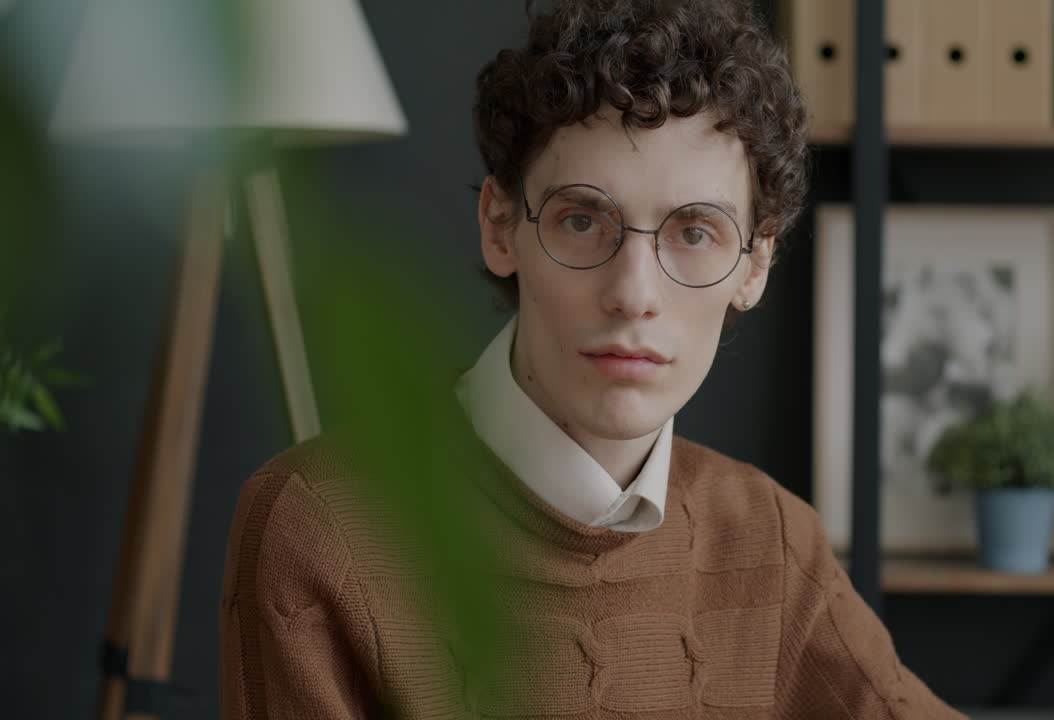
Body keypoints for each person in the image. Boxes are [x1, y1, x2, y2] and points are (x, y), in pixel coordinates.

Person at [220, 1, 965, 717]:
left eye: (695, 232)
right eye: (583, 220)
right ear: (500, 226)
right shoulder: (318, 530)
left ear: (755, 265)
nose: (633, 293)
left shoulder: (771, 541)